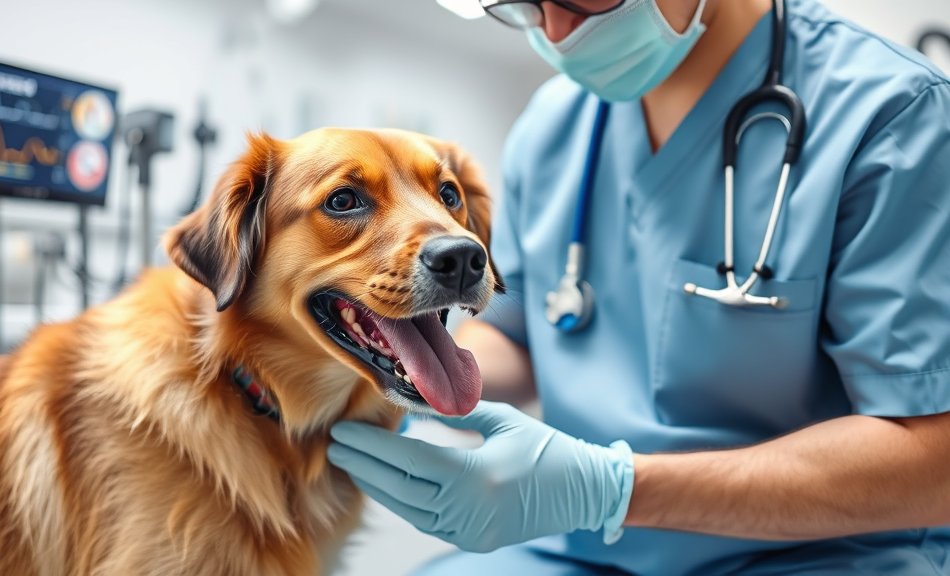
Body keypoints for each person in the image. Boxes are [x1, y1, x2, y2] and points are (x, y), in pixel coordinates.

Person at [326, 0, 950, 574]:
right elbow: (517, 336)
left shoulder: (890, 113)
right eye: (522, 4)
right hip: (587, 549)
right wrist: (387, 371)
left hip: (824, 555)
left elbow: (933, 461)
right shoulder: (552, 129)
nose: (556, 31)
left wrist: (612, 490)